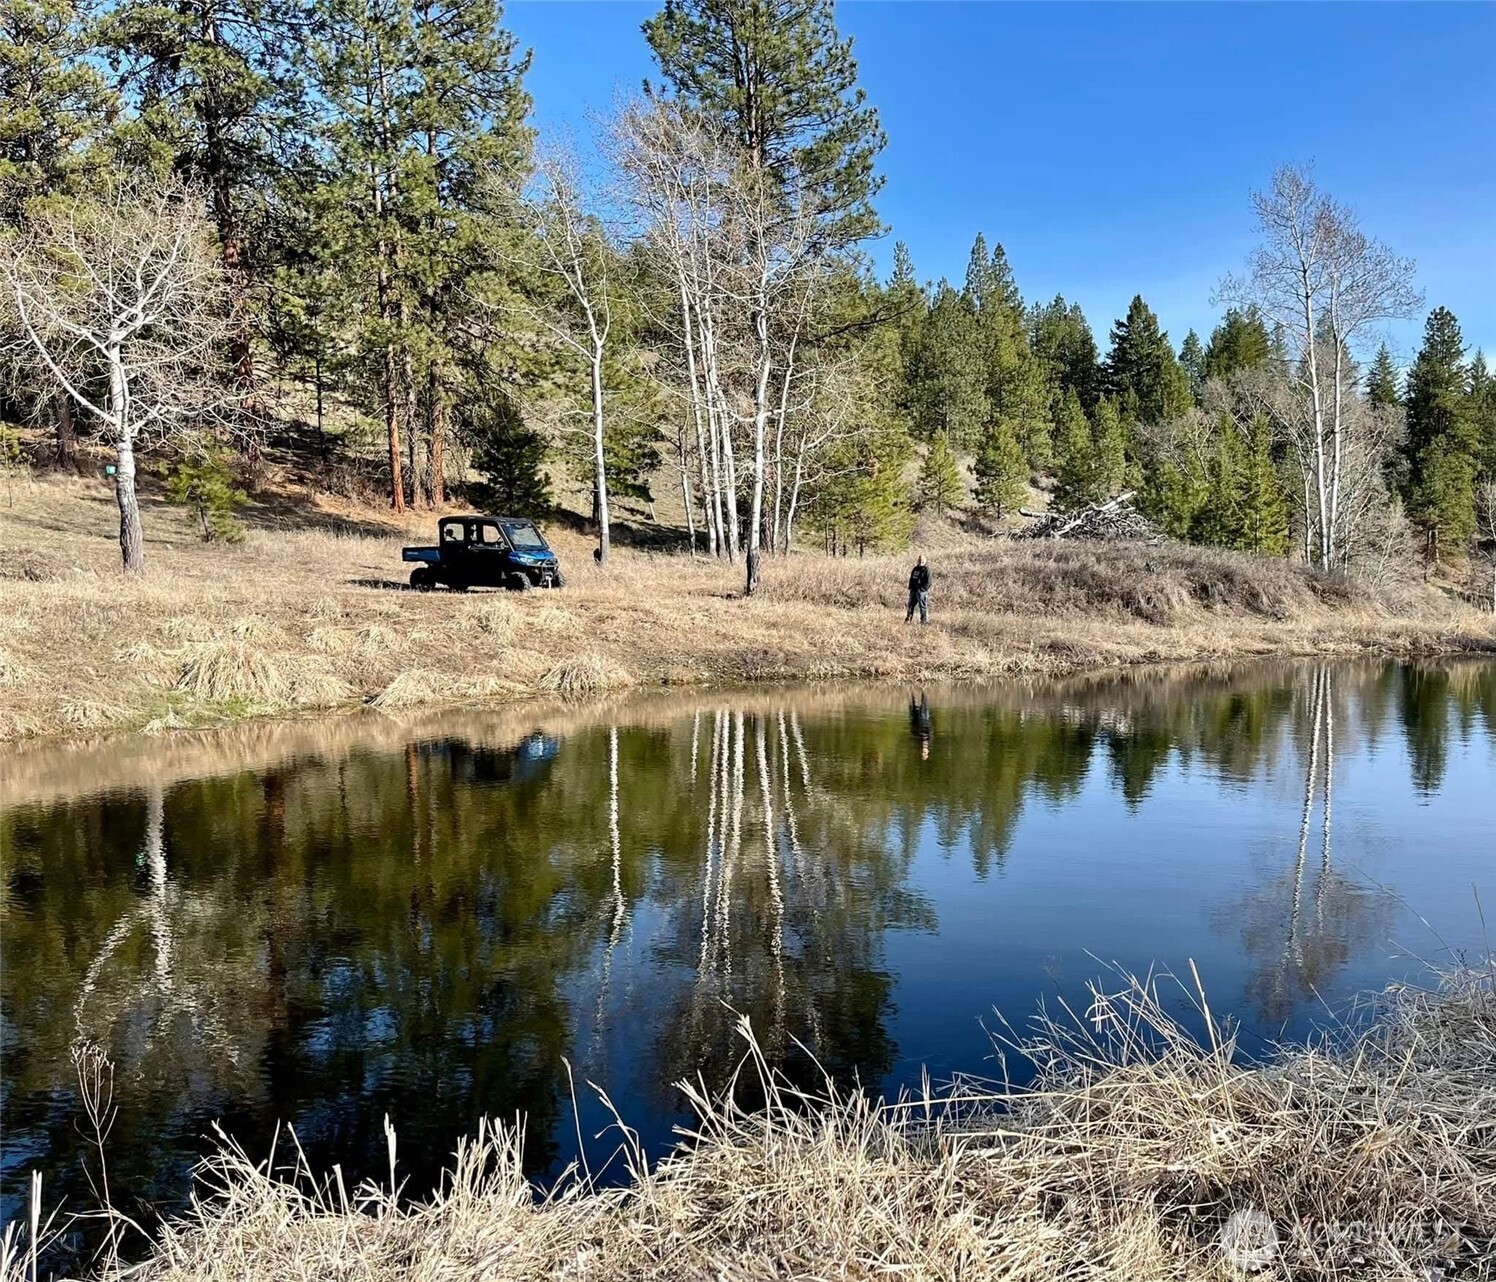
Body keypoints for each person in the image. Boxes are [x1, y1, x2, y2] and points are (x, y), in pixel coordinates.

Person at [905, 555, 931, 624]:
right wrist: (910, 587)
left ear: (925, 561)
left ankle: (924, 621)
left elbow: (929, 582)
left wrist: (922, 589)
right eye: (919, 559)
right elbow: (911, 578)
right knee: (910, 605)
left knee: (922, 606)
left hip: (922, 592)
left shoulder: (926, 570)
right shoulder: (915, 569)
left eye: (922, 560)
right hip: (913, 591)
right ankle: (908, 619)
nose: (920, 561)